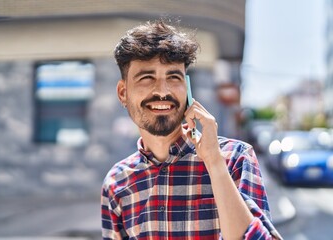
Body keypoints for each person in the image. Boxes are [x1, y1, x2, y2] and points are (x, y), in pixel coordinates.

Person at [101, 19, 282, 240]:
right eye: (147, 77)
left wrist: (214, 162)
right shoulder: (116, 183)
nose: (162, 91)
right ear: (123, 93)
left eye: (173, 77)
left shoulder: (235, 158)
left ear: (187, 88)